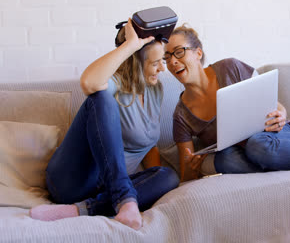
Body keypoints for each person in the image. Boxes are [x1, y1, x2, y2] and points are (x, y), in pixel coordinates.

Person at [29, 18, 180, 230]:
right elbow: (90, 83)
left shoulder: (155, 90)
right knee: (99, 98)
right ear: (136, 62)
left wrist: (154, 182)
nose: (162, 68)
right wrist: (131, 46)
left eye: (162, 60)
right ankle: (125, 200)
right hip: (73, 179)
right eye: (155, 63)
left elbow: (148, 146)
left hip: (103, 191)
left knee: (169, 177)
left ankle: (81, 210)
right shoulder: (115, 83)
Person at [163, 24, 290, 181]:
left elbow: (274, 104)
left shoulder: (230, 67)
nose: (172, 61)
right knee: (224, 160)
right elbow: (187, 176)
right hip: (239, 153)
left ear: (198, 53)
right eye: (167, 57)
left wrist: (282, 114)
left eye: (179, 52)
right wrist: (192, 165)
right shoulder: (181, 115)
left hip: (272, 137)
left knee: (257, 145)